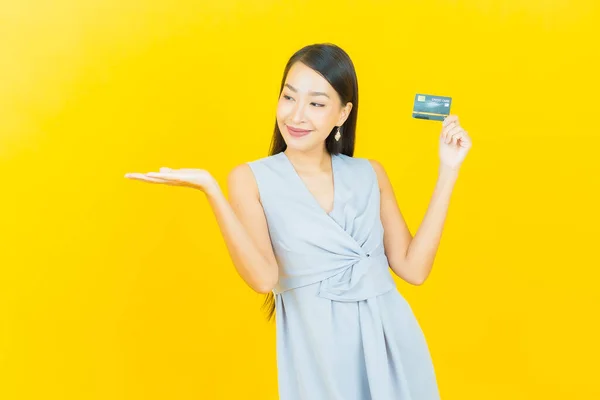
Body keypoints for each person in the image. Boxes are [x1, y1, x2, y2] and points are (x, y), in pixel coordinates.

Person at [125, 43, 472, 400]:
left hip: (393, 346)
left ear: (342, 114)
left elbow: (414, 269)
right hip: (318, 359)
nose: (296, 115)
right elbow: (263, 279)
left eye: (317, 104)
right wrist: (211, 190)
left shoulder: (370, 174)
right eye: (289, 97)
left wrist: (449, 169)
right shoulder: (250, 179)